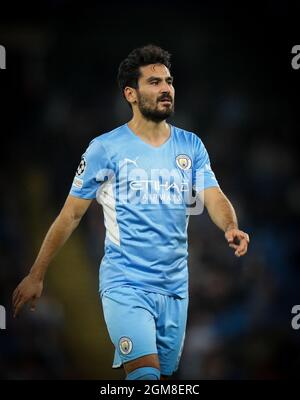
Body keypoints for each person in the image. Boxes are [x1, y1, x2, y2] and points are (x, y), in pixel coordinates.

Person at [12, 44, 250, 380]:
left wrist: (230, 226)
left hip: (175, 288)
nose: (166, 88)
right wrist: (37, 274)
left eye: (168, 81)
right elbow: (70, 215)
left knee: (163, 381)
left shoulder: (191, 145)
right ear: (131, 94)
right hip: (125, 283)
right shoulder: (104, 149)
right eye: (154, 82)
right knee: (144, 376)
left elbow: (213, 196)